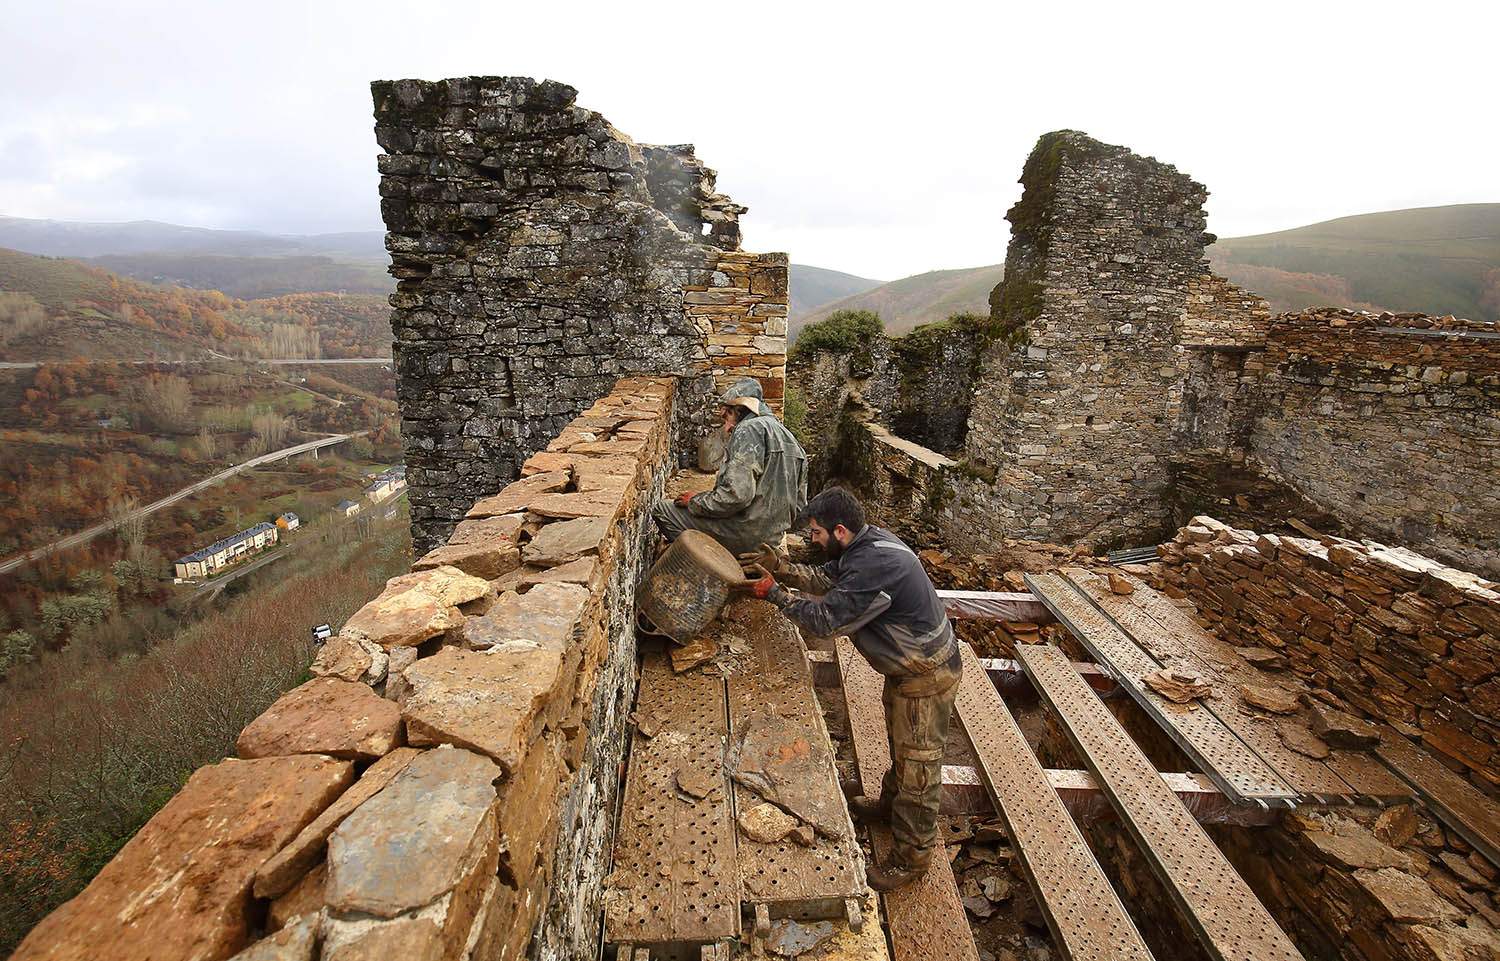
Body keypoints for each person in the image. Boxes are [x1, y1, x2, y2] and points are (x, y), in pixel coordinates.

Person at [737, 487, 960, 892]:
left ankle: (911, 861)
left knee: (920, 769)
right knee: (904, 747)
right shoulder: (865, 544)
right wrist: (782, 568)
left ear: (840, 530)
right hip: (910, 670)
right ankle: (889, 810)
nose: (813, 540)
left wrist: (775, 595)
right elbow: (825, 580)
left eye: (817, 533)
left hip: (927, 676)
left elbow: (825, 621)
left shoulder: (874, 564)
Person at [652, 378, 808, 556]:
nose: (726, 428)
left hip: (742, 534)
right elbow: (799, 510)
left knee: (663, 510)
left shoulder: (748, 429)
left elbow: (737, 496)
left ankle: (713, 566)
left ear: (739, 410)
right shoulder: (792, 441)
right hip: (771, 541)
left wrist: (696, 501)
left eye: (727, 416)